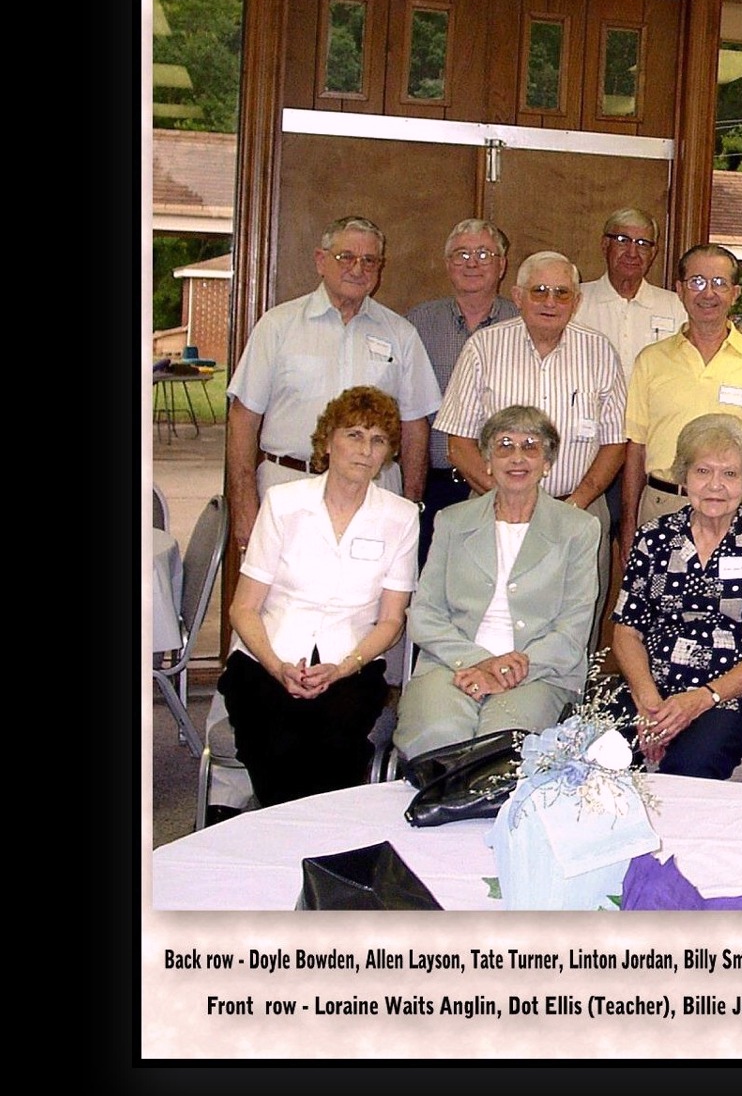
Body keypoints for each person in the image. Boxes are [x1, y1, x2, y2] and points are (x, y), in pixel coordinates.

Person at [218, 386, 419, 806]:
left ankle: (299, 834)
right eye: (354, 435)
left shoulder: (400, 517)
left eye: (378, 440)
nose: (365, 450)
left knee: (334, 744)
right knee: (275, 741)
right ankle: (286, 832)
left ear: (388, 453)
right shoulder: (282, 504)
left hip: (351, 665)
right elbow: (244, 608)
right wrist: (277, 667)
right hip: (266, 659)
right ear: (327, 441)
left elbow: (391, 621)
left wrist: (343, 668)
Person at [393, 405, 603, 759]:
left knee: (501, 745)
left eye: (530, 446)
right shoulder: (452, 521)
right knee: (438, 735)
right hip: (451, 664)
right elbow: (425, 615)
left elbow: (572, 631)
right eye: (504, 445)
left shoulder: (578, 529)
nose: (517, 457)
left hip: (539, 672)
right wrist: (477, 662)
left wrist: (505, 670)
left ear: (547, 462)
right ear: (487, 460)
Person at [226, 214, 440, 553]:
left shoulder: (401, 335)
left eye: (369, 260)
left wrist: (411, 505)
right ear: (320, 260)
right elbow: (243, 418)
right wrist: (243, 506)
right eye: (346, 257)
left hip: (375, 496)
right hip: (289, 489)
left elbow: (415, 426)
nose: (358, 268)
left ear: (380, 268)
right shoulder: (278, 326)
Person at [609, 413, 742, 779]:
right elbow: (626, 631)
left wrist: (702, 698)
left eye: (730, 474)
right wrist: (649, 702)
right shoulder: (654, 538)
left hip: (733, 698)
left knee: (689, 764)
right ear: (684, 476)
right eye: (702, 471)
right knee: (595, 750)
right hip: (654, 688)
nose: (715, 485)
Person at [433, 251, 626, 547]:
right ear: (518, 297)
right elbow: (458, 444)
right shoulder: (482, 348)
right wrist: (507, 499)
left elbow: (615, 442)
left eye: (562, 293)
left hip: (579, 511)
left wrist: (576, 503)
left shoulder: (600, 351)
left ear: (576, 302)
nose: (550, 302)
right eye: (539, 291)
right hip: (495, 510)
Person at [619, 243, 742, 548]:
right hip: (663, 506)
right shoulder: (651, 359)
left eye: (719, 283)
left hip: (737, 509)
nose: (708, 293)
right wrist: (629, 521)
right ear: (680, 290)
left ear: (735, 293)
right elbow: (636, 448)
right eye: (697, 282)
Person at [404, 219, 519, 564]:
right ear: (447, 264)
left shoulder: (522, 322)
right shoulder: (417, 324)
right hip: (435, 485)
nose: (472, 263)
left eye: (484, 254)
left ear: (502, 265)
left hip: (505, 484)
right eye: (461, 254)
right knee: (431, 580)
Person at [568, 207, 683, 383]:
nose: (632, 253)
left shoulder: (676, 307)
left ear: (653, 253)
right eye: (623, 241)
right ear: (605, 245)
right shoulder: (574, 302)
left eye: (643, 244)